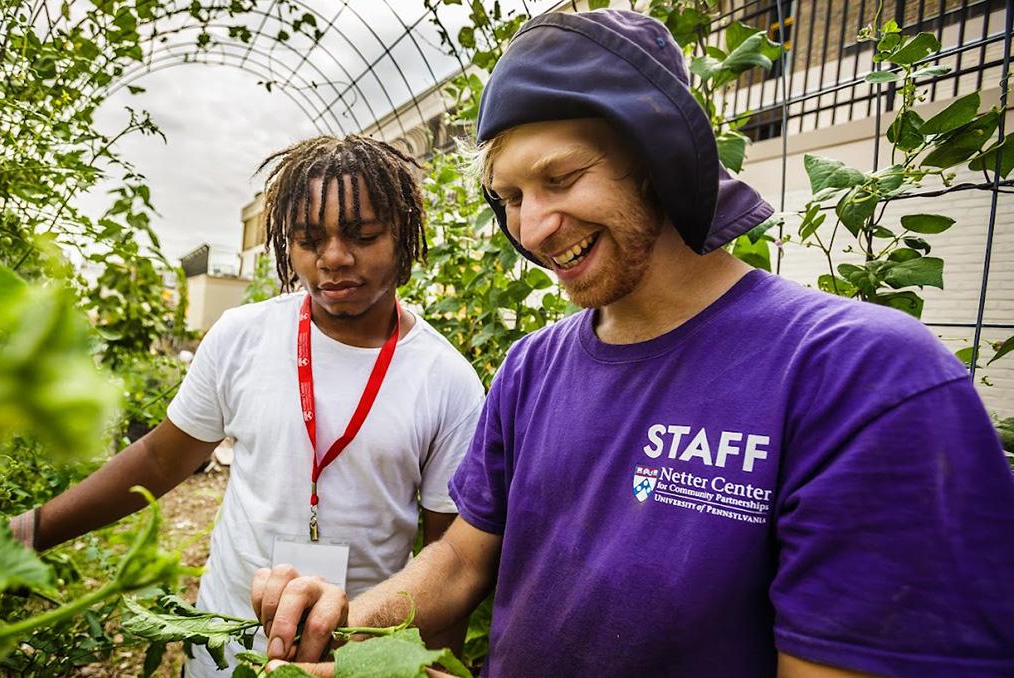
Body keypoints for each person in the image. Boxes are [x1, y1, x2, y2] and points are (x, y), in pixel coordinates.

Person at [251, 10, 1014, 678]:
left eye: (561, 178)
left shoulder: (861, 376)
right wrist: (345, 620)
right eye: (512, 198)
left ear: (656, 157)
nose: (534, 227)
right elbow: (458, 560)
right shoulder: (533, 367)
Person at [7, 135, 484, 675]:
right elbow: (161, 459)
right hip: (226, 640)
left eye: (363, 235)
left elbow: (449, 559)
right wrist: (26, 532)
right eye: (307, 240)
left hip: (357, 660)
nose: (333, 258)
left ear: (403, 236)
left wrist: (436, 666)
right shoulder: (242, 337)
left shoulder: (446, 380)